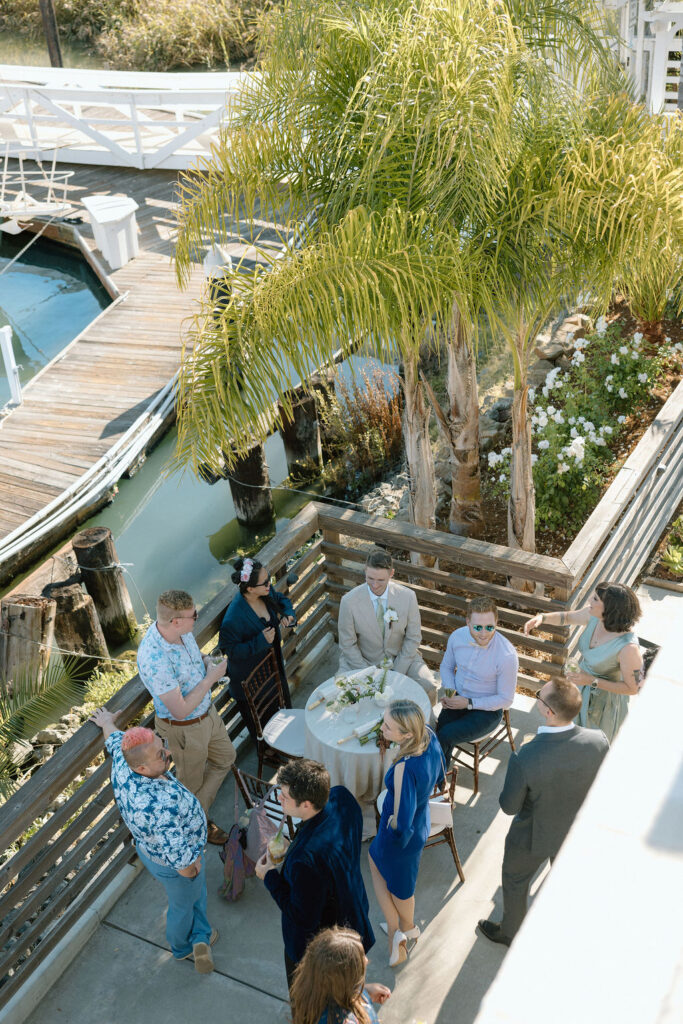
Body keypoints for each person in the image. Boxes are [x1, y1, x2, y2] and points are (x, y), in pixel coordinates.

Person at [477, 678, 609, 947]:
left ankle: (510, 932)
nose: (537, 696)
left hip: (533, 836)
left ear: (548, 711)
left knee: (515, 880)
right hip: (576, 830)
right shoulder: (599, 740)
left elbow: (509, 806)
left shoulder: (525, 756)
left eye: (539, 694)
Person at [89, 707, 218, 973]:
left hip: (151, 850)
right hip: (176, 862)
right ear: (143, 767)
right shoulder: (157, 807)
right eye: (162, 755)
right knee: (184, 903)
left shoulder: (126, 763)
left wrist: (106, 723)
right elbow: (182, 863)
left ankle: (202, 934)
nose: (168, 754)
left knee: (194, 895)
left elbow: (115, 739)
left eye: (164, 746)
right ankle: (183, 947)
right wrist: (193, 867)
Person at [254, 759, 374, 988]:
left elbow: (303, 918)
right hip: (354, 908)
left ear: (306, 804)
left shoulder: (305, 860)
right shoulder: (342, 797)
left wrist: (268, 875)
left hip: (320, 948)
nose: (279, 798)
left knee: (308, 1000)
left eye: (285, 797)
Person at [137, 589, 235, 845]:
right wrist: (210, 679)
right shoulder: (154, 658)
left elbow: (194, 656)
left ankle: (198, 813)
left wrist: (206, 661)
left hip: (207, 714)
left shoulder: (182, 632)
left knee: (226, 758)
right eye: (194, 615)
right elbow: (180, 709)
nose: (197, 618)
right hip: (184, 728)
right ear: (176, 621)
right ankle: (196, 824)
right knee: (190, 784)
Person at [368, 700, 444, 967]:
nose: (383, 728)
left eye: (388, 726)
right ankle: (407, 929)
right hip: (421, 822)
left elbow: (401, 820)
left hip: (401, 837)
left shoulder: (404, 768)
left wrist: (390, 828)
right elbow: (440, 768)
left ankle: (396, 931)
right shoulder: (428, 733)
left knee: (381, 869)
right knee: (402, 884)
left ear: (407, 734)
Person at [523, 581, 643, 742]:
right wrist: (541, 618)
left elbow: (633, 688)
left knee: (591, 743)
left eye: (595, 599)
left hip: (603, 703)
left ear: (609, 608)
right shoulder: (593, 616)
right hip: (580, 686)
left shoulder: (629, 648)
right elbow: (566, 617)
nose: (589, 601)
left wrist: (592, 681)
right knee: (570, 734)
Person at [337, 547, 438, 704]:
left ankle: (428, 726)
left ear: (391, 574)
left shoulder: (408, 597)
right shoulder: (348, 601)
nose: (374, 585)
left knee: (429, 686)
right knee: (343, 695)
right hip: (363, 661)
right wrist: (369, 674)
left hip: (402, 657)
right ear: (365, 570)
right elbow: (347, 644)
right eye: (370, 578)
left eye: (381, 580)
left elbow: (413, 638)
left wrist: (397, 672)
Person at [219, 556, 297, 741]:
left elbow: (282, 599)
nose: (269, 584)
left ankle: (287, 742)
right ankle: (273, 754)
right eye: (265, 582)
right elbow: (229, 651)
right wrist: (259, 641)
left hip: (273, 669)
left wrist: (288, 615)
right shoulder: (233, 618)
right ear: (250, 588)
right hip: (252, 683)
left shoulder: (265, 592)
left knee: (282, 714)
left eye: (269, 578)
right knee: (266, 727)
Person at [436, 597, 518, 762]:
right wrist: (450, 691)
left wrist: (469, 703)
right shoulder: (457, 637)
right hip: (457, 696)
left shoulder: (507, 655)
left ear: (496, 622)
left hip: (487, 710)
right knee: (437, 731)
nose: (483, 633)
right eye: (477, 627)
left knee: (444, 735)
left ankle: (435, 780)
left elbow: (506, 699)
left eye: (489, 627)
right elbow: (446, 667)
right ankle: (439, 776)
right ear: (468, 622)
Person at [290, 927, 391, 1024]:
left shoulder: (313, 995)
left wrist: (365, 993)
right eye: (360, 958)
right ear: (343, 982)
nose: (366, 960)